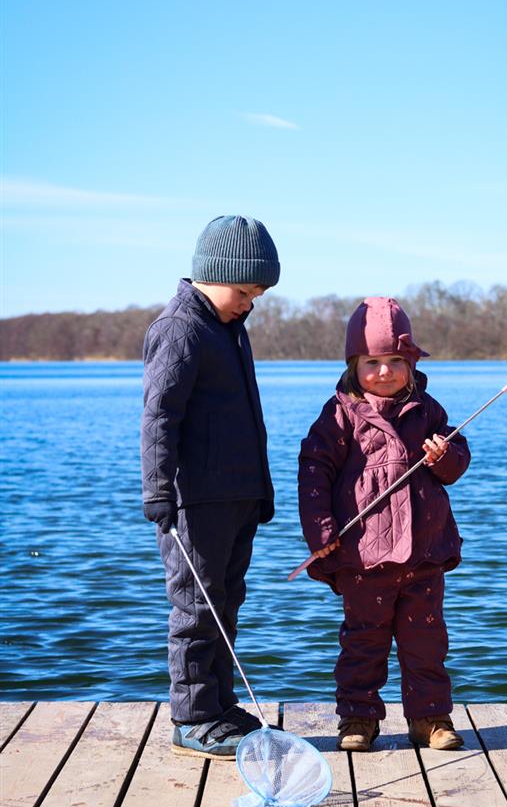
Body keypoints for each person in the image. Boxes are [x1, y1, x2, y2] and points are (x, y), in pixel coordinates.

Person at [298, 297, 471, 752]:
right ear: (354, 364)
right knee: (363, 645)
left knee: (426, 643)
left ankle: (431, 719)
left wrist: (445, 458)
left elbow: (458, 462)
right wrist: (321, 531)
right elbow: (314, 470)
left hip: (424, 554)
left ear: (411, 364)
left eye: (395, 361)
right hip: (364, 558)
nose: (384, 372)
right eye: (372, 362)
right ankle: (358, 720)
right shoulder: (339, 415)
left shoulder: (428, 410)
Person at [141, 214, 279, 759]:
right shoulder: (180, 328)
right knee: (197, 607)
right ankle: (192, 717)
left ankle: (219, 704)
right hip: (193, 499)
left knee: (226, 602)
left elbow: (245, 415)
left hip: (235, 497)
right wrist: (158, 491)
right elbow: (159, 416)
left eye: (258, 294)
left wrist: (259, 493)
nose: (250, 302)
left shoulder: (228, 329)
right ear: (211, 274)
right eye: (244, 290)